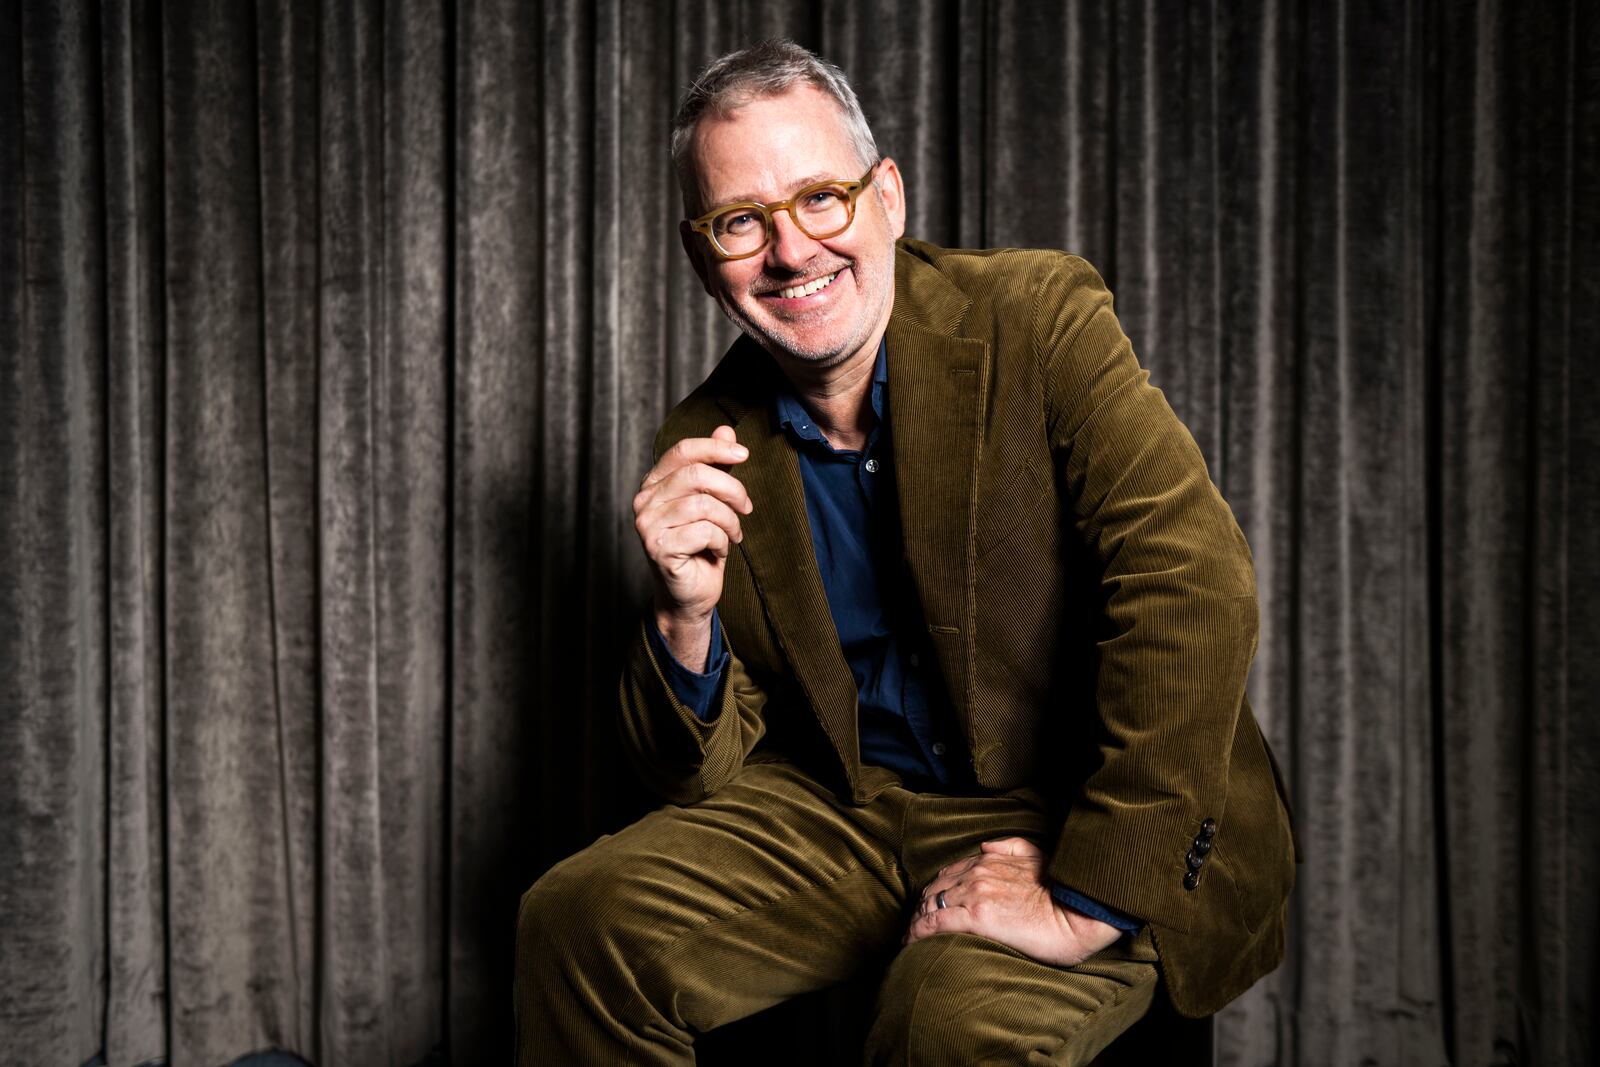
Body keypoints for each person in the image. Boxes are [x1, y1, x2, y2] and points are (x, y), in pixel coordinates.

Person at [515, 39, 1296, 1065]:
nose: (791, 251)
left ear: (885, 195)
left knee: (949, 1024)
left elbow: (1190, 582)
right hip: (849, 808)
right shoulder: (707, 437)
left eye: (821, 197)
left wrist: (1088, 895)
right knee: (575, 922)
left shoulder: (1037, 317)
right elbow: (691, 775)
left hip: (1073, 794)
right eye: (741, 221)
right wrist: (681, 615)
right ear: (702, 254)